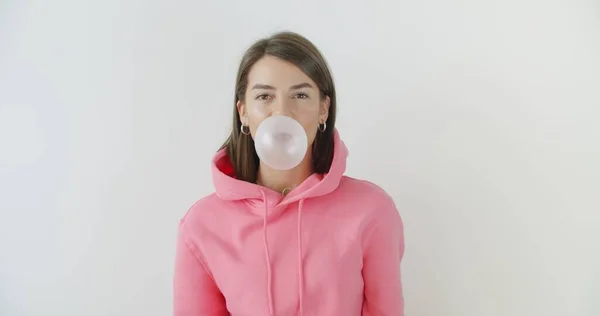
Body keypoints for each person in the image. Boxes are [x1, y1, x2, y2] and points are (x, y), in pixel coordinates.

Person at [173, 31, 405, 316]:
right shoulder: (201, 225)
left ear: (323, 109)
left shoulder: (371, 210)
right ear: (243, 112)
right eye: (264, 96)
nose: (282, 112)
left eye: (300, 94)